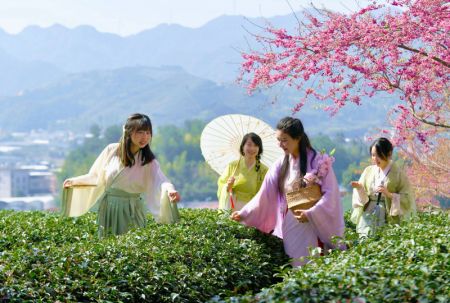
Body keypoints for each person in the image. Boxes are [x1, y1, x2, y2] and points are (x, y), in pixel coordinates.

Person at [230, 117, 344, 266]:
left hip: (312, 221)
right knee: (294, 263)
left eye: (284, 140)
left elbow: (331, 194)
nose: (280, 145)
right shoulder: (280, 163)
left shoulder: (318, 161)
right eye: (278, 140)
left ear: (298, 138)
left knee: (313, 263)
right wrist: (244, 213)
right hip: (291, 220)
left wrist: (312, 212)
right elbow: (265, 193)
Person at [62, 113, 181, 237]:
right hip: (109, 207)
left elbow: (161, 180)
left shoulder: (148, 161)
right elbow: (96, 176)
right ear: (128, 132)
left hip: (132, 209)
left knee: (131, 245)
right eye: (140, 132)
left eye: (148, 133)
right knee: (108, 245)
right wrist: (75, 182)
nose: (145, 137)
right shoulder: (111, 150)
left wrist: (170, 190)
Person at [350, 137, 416, 238]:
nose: (375, 159)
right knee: (366, 239)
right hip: (369, 213)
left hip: (387, 214)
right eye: (373, 155)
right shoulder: (368, 171)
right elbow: (363, 198)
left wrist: (389, 195)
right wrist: (360, 189)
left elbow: (407, 198)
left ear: (389, 154)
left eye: (379, 155)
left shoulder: (398, 173)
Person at [217, 132, 269, 210]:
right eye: (249, 145)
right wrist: (228, 186)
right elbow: (221, 185)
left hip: (252, 209)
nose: (252, 148)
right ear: (243, 147)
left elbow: (265, 193)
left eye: (256, 145)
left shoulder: (264, 170)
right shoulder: (233, 166)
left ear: (259, 149)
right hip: (232, 206)